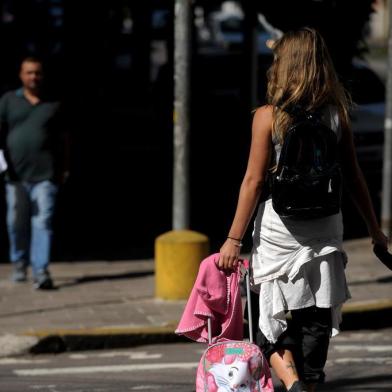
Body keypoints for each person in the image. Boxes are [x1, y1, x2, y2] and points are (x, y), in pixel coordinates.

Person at [218, 28, 388, 392]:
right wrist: (375, 229)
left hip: (280, 230)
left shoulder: (268, 116)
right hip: (325, 229)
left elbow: (253, 182)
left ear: (284, 65)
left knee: (269, 318)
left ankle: (292, 380)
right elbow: (354, 176)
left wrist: (233, 239)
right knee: (316, 321)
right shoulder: (336, 114)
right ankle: (308, 382)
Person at [0, 57, 70, 290]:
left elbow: (64, 140)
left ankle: (40, 269)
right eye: (29, 73)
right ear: (21, 75)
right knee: (15, 222)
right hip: (15, 176)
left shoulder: (53, 104)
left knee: (43, 221)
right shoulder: (9, 101)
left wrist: (64, 168)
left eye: (37, 73)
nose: (33, 77)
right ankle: (19, 263)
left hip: (45, 175)